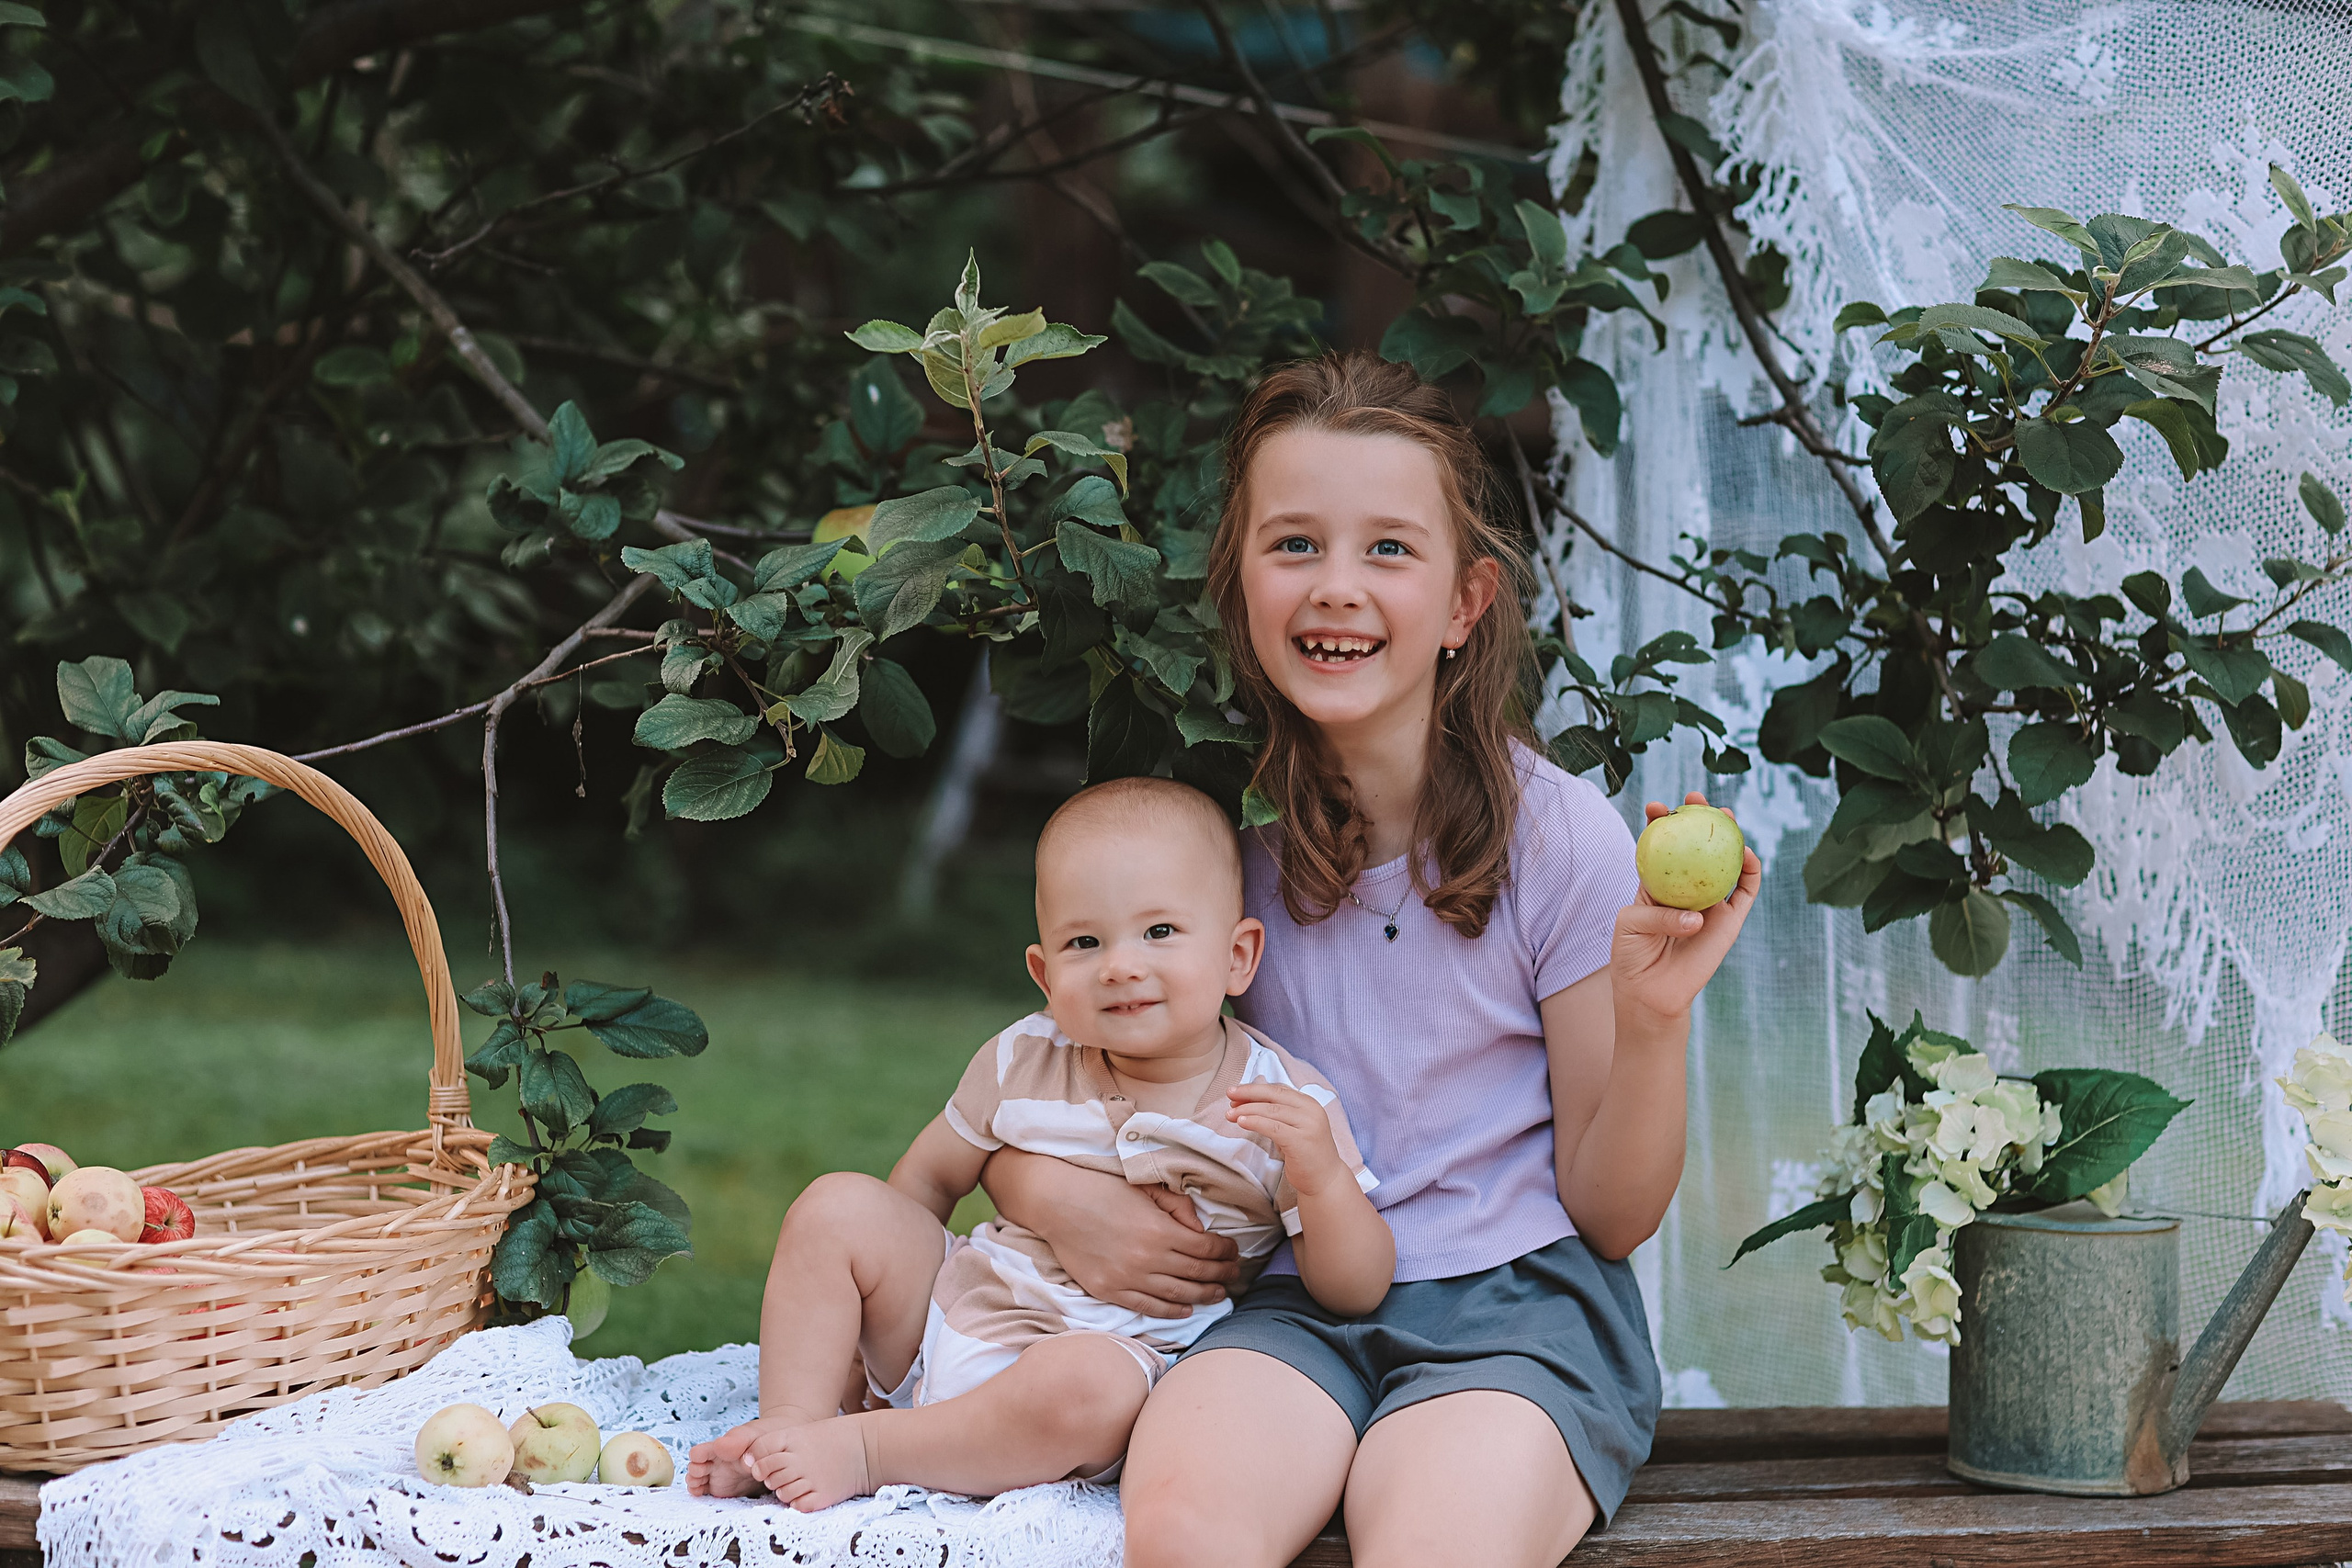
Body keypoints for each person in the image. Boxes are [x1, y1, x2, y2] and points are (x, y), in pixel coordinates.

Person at [978, 353, 1761, 1567]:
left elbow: (1611, 1215)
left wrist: (1654, 1020)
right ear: (1239, 588)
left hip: (1518, 1313)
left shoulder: (1560, 839)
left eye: (1389, 549)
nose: (1336, 586)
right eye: (1294, 544)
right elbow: (1066, 1071)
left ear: (1465, 602)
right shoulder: (1219, 845)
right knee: (1184, 1531)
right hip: (1286, 1306)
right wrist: (1041, 1189)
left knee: (1431, 1545)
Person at [684, 775, 1393, 1511]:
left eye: (1159, 932)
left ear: (1238, 955)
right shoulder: (1021, 1057)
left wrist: (1323, 1178)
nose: (1121, 964)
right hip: (954, 1315)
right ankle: (789, 1428)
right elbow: (924, 1184)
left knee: (1092, 1385)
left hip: (1106, 1366)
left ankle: (868, 1450)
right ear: (1044, 975)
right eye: (1084, 942)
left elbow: (1355, 1286)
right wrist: (869, 1321)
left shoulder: (1280, 1102)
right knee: (836, 1205)